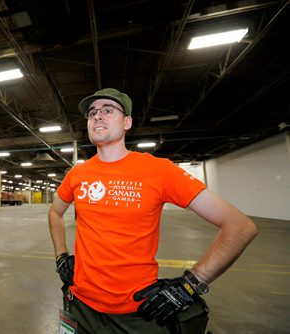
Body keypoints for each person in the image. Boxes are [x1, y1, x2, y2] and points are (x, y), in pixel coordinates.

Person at [48, 88, 258, 333]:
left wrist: (190, 284)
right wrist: (61, 255)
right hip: (80, 305)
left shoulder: (159, 170)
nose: (97, 116)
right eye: (92, 113)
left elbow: (240, 226)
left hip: (138, 311)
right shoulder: (77, 174)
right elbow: (55, 213)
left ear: (127, 122)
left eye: (108, 110)